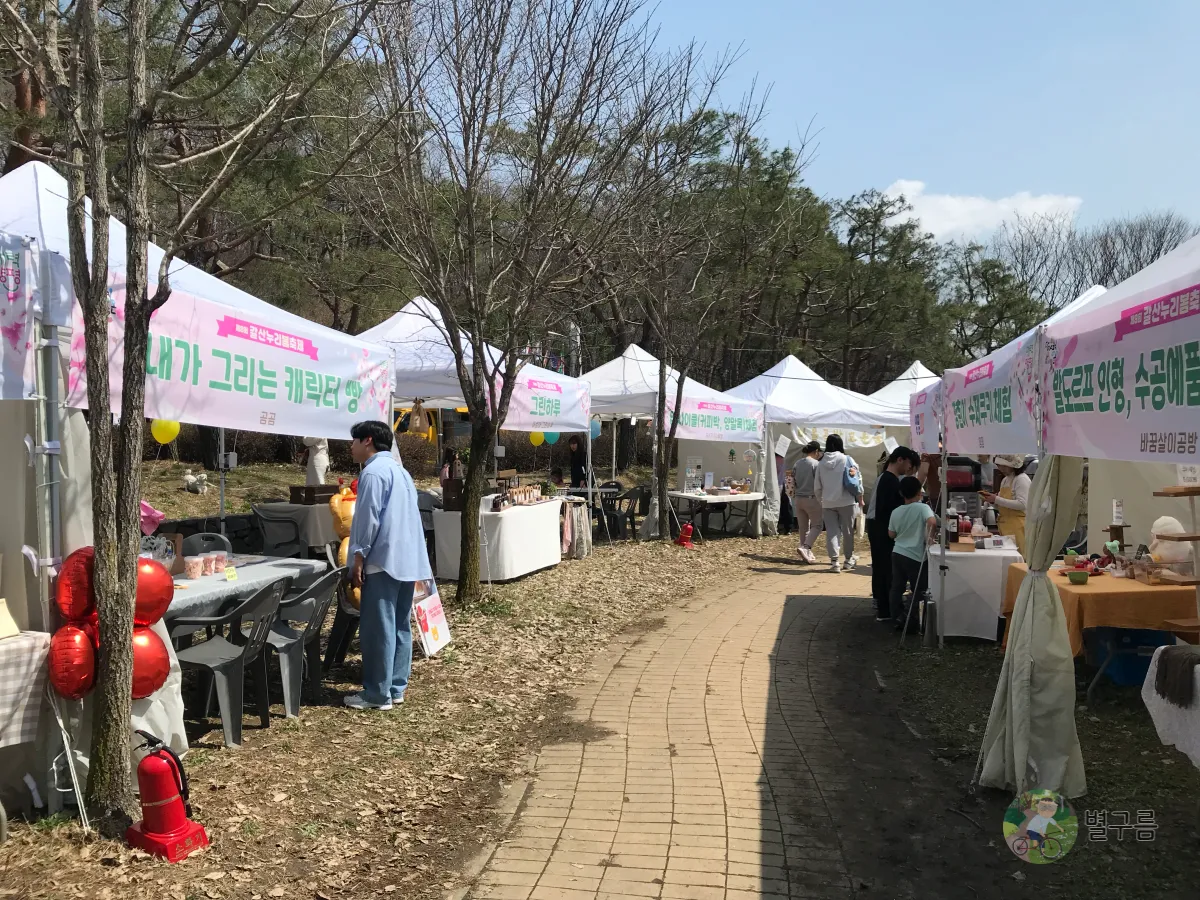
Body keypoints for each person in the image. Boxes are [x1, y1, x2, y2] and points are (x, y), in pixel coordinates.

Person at [344, 420, 433, 710]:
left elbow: (368, 519)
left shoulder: (373, 472)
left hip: (382, 560)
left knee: (378, 628)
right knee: (398, 625)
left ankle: (377, 693)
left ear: (367, 441)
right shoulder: (400, 470)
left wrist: (358, 556)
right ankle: (395, 687)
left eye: (354, 440)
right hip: (407, 560)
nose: (351, 446)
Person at [866, 447, 921, 621]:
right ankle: (886, 609)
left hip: (878, 526)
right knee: (885, 569)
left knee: (882, 567)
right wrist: (894, 531)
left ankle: (882, 605)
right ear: (900, 460)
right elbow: (887, 511)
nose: (908, 469)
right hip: (881, 528)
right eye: (909, 465)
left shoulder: (887, 477)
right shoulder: (890, 481)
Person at [887, 475, 937, 628]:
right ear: (919, 493)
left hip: (897, 552)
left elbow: (891, 534)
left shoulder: (896, 511)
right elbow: (932, 521)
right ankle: (913, 619)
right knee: (919, 589)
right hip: (915, 555)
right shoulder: (923, 507)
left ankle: (895, 617)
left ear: (901, 494)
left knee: (897, 586)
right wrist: (930, 538)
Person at [815, 434, 862, 572]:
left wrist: (821, 500)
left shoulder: (821, 463)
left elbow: (817, 486)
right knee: (848, 532)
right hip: (846, 501)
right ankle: (848, 560)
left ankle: (834, 562)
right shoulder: (847, 459)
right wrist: (859, 496)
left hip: (828, 503)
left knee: (832, 532)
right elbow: (856, 478)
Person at [982, 455, 1032, 558]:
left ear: (1013, 465)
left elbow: (1022, 504)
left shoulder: (1021, 479)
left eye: (1004, 466)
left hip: (1019, 527)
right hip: (1006, 527)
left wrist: (996, 499)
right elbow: (1002, 506)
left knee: (1020, 559)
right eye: (999, 465)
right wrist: (991, 502)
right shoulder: (1005, 480)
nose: (1001, 469)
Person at [792, 441, 823, 563]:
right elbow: (819, 482)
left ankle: (806, 553)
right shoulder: (816, 464)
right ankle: (805, 548)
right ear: (816, 451)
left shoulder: (797, 463)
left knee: (803, 528)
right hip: (812, 498)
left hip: (798, 498)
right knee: (817, 525)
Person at [776, 451, 795, 536]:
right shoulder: (784, 459)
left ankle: (787, 527)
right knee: (787, 506)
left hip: (782, 483)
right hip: (786, 482)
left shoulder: (777, 459)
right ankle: (788, 527)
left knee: (785, 505)